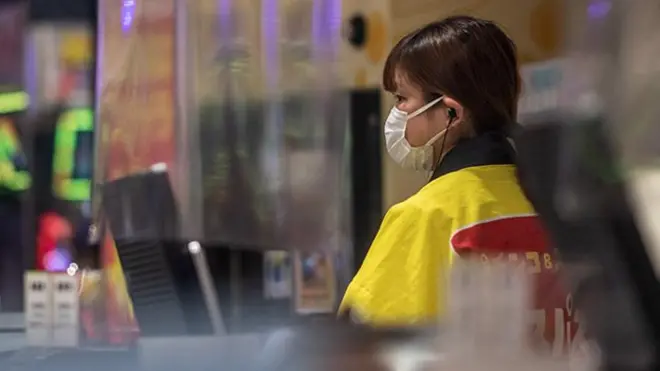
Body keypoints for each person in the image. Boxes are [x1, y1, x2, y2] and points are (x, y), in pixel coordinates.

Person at [339, 16, 576, 352]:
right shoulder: (557, 207)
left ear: (450, 112)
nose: (397, 113)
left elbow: (362, 347)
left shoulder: (426, 216)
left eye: (402, 98)